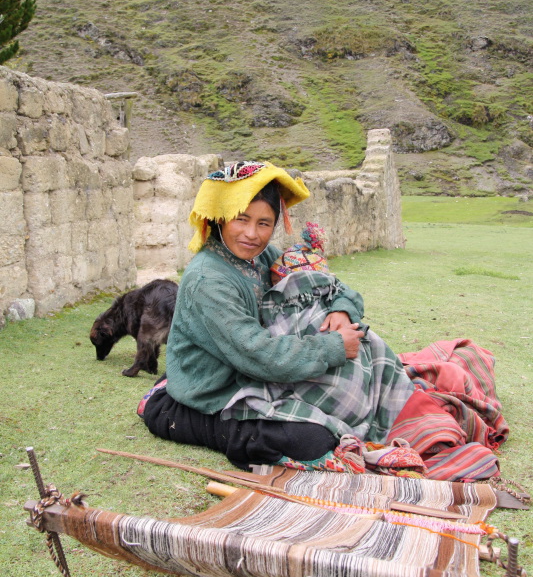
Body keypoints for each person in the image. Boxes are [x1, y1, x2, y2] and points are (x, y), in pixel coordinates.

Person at [139, 161, 415, 470]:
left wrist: (340, 309)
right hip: (217, 390)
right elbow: (256, 353)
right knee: (312, 440)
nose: (251, 234)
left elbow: (327, 285)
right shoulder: (207, 279)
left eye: (264, 223)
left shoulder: (265, 257)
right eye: (241, 219)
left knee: (367, 353)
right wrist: (332, 347)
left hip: (259, 374)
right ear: (220, 217)